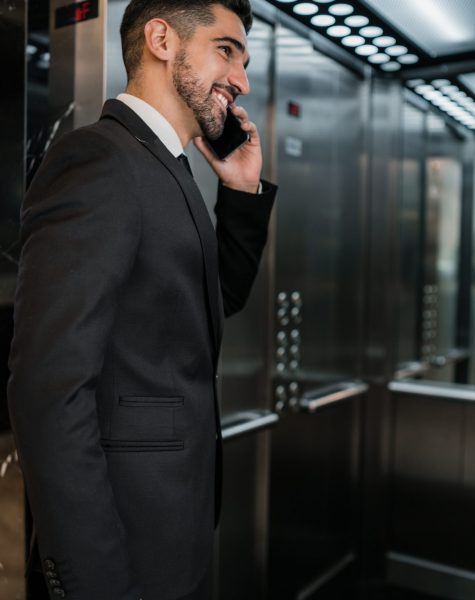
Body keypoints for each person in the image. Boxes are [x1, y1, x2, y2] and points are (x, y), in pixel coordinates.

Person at [7, 0, 277, 599]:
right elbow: (48, 389)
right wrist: (93, 583)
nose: (242, 80)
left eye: (244, 60)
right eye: (226, 51)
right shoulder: (97, 160)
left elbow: (210, 300)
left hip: (176, 530)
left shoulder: (171, 170)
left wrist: (242, 191)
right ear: (161, 39)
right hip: (120, 555)